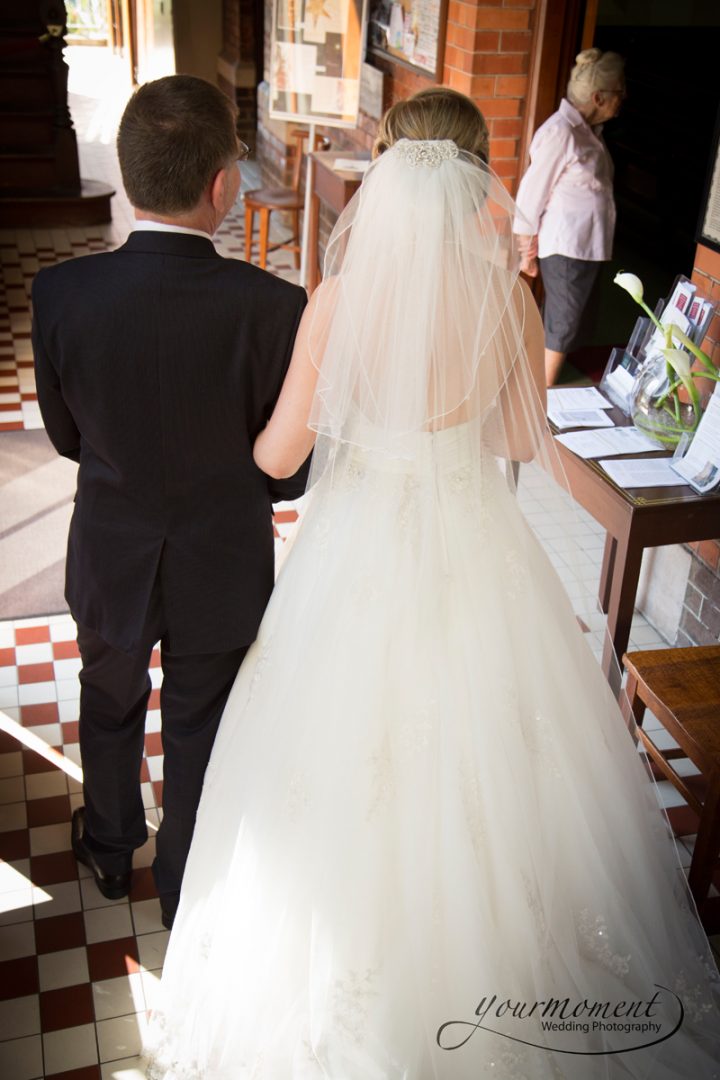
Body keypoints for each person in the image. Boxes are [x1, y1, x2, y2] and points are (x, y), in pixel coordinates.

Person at [144, 88, 720, 1078]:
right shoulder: (508, 296)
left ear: (390, 173)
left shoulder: (336, 301)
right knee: (492, 757)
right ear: (475, 177)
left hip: (355, 554)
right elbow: (513, 442)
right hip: (472, 546)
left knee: (332, 757)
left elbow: (282, 453)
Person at [31, 75, 309, 930]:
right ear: (224, 185)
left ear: (123, 172)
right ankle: (182, 884)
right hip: (221, 563)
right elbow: (288, 476)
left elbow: (66, 436)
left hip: (111, 551)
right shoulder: (274, 307)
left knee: (108, 701)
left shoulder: (61, 295)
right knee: (200, 724)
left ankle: (109, 848)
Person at [514, 48, 625, 386]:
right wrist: (525, 250)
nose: (624, 98)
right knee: (564, 322)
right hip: (565, 245)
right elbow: (532, 194)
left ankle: (537, 386)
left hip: (585, 245)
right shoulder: (560, 132)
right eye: (619, 91)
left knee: (568, 321)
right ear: (598, 97)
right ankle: (541, 396)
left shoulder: (588, 132)